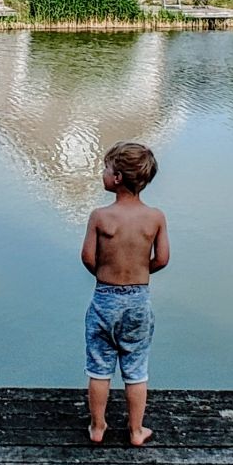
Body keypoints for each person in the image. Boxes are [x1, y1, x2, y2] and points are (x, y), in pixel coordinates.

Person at [80, 141, 169, 447]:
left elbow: (88, 257)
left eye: (106, 168)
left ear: (116, 177)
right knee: (136, 367)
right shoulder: (155, 217)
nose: (102, 173)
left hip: (105, 296)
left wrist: (105, 275)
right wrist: (140, 275)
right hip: (139, 300)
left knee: (99, 367)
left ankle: (97, 426)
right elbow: (162, 259)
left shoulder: (100, 217)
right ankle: (135, 431)